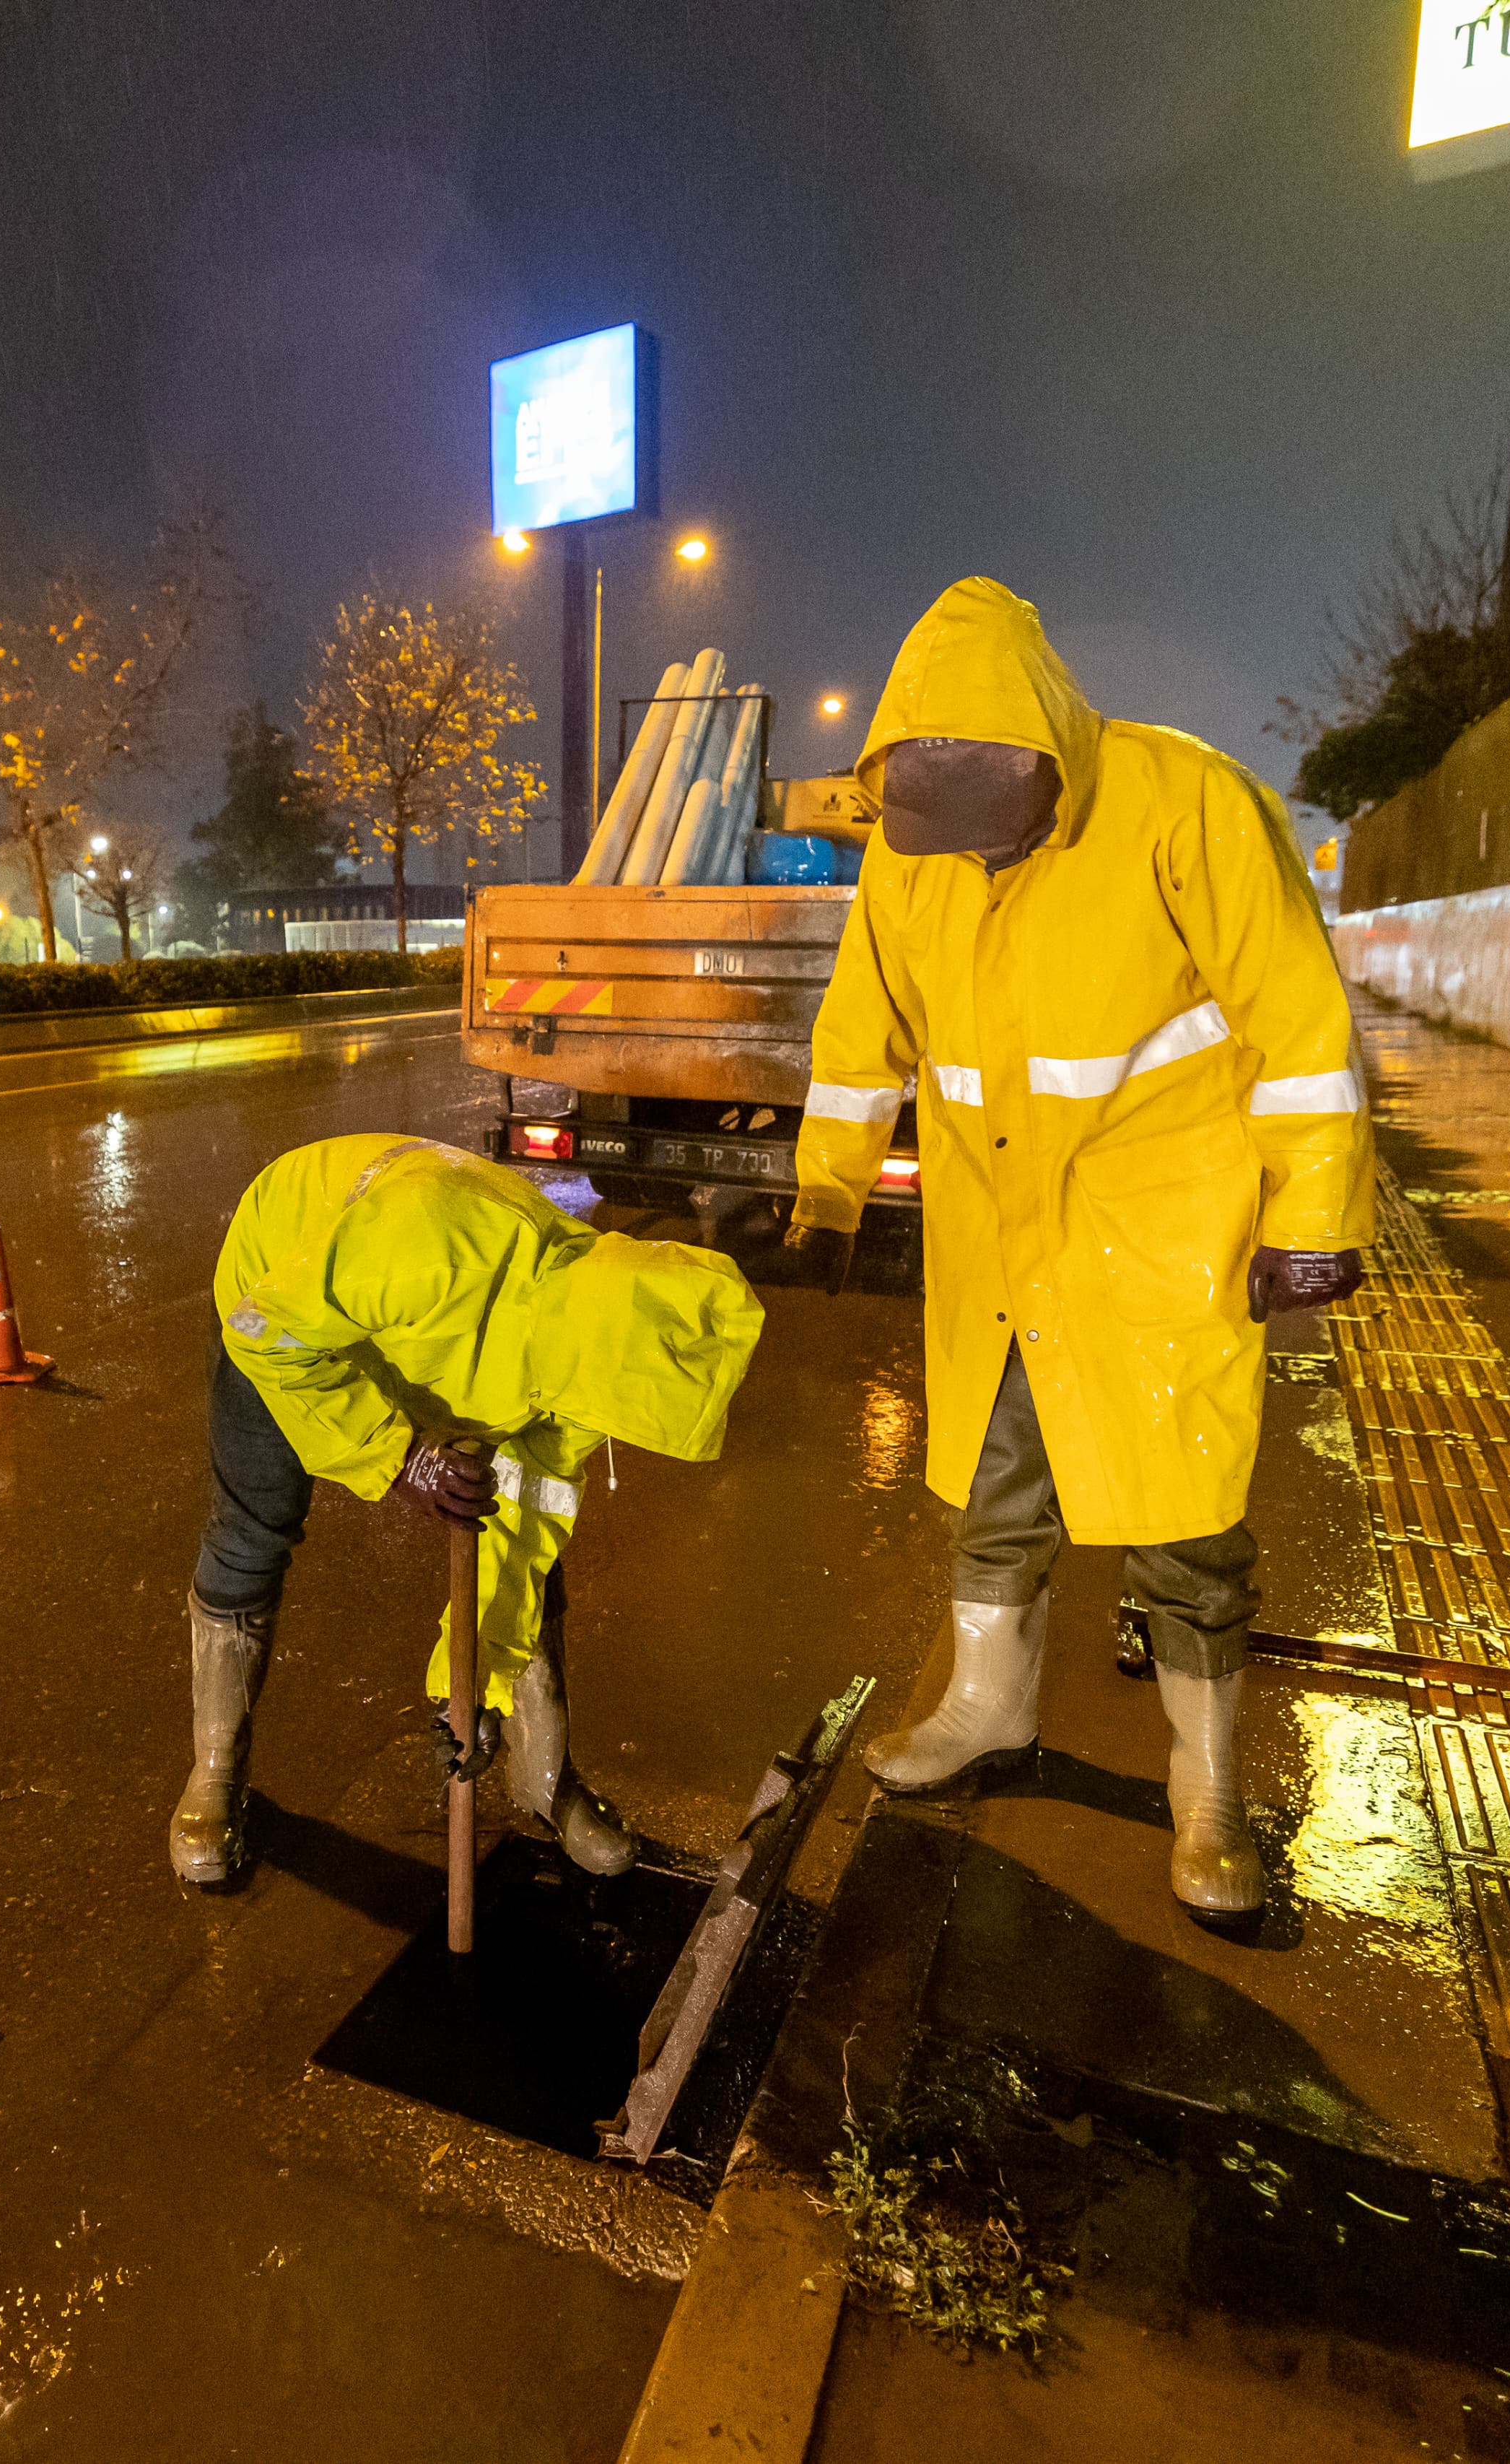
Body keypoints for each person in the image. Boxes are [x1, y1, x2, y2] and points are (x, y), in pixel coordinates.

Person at [785, 578, 1372, 1919]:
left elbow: (1297, 1014)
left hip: (1165, 1224)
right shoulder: (906, 854)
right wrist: (825, 1186)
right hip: (1000, 1233)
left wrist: (1315, 1215)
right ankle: (987, 1707)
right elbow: (859, 1024)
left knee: (1183, 1515)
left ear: (1052, 759)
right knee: (995, 1485)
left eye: (1006, 838)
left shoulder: (1188, 804)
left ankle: (1207, 1789)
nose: (982, 864)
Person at [169, 1133, 767, 1889]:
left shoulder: (590, 1345)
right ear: (589, 1356)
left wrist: (472, 1684)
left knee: (528, 1555)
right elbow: (268, 1335)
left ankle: (543, 1782)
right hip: (287, 1307)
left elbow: (522, 1530)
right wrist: (398, 1454)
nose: (602, 1428)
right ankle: (216, 1772)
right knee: (251, 1528)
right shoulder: (430, 1246)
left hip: (414, 1323)